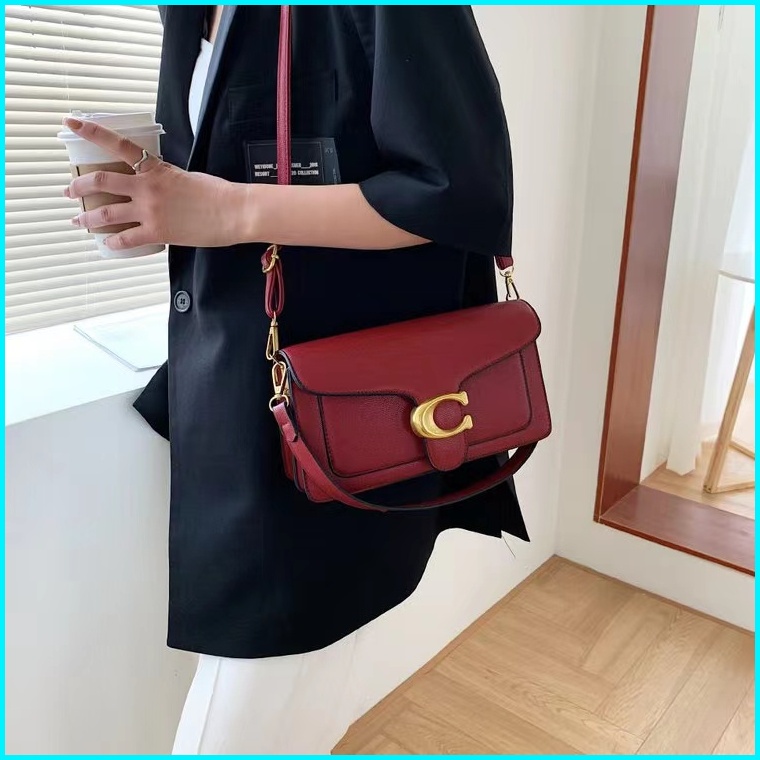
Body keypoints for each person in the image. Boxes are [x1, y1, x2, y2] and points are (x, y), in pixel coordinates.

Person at [64, 5, 529, 753]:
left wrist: (229, 210)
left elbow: (459, 192)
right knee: (284, 705)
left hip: (343, 418)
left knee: (253, 706)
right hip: (231, 392)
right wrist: (161, 210)